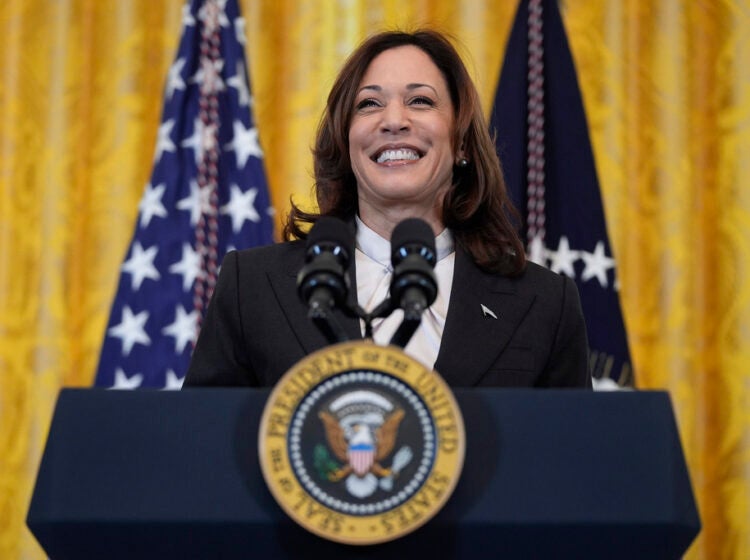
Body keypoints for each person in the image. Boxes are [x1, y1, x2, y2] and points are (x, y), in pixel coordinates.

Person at [183, 29, 592, 389]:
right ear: (346, 142)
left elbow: (570, 465)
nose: (393, 120)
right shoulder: (251, 286)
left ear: (463, 142)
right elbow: (201, 450)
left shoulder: (544, 303)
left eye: (420, 101)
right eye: (368, 104)